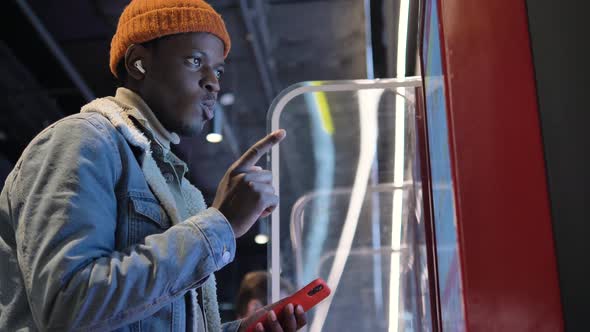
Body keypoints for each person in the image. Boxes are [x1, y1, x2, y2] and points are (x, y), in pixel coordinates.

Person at [0, 0, 307, 331]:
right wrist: (221, 225)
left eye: (217, 70)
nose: (213, 83)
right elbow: (69, 307)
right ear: (138, 64)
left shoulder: (175, 182)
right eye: (195, 61)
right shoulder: (82, 141)